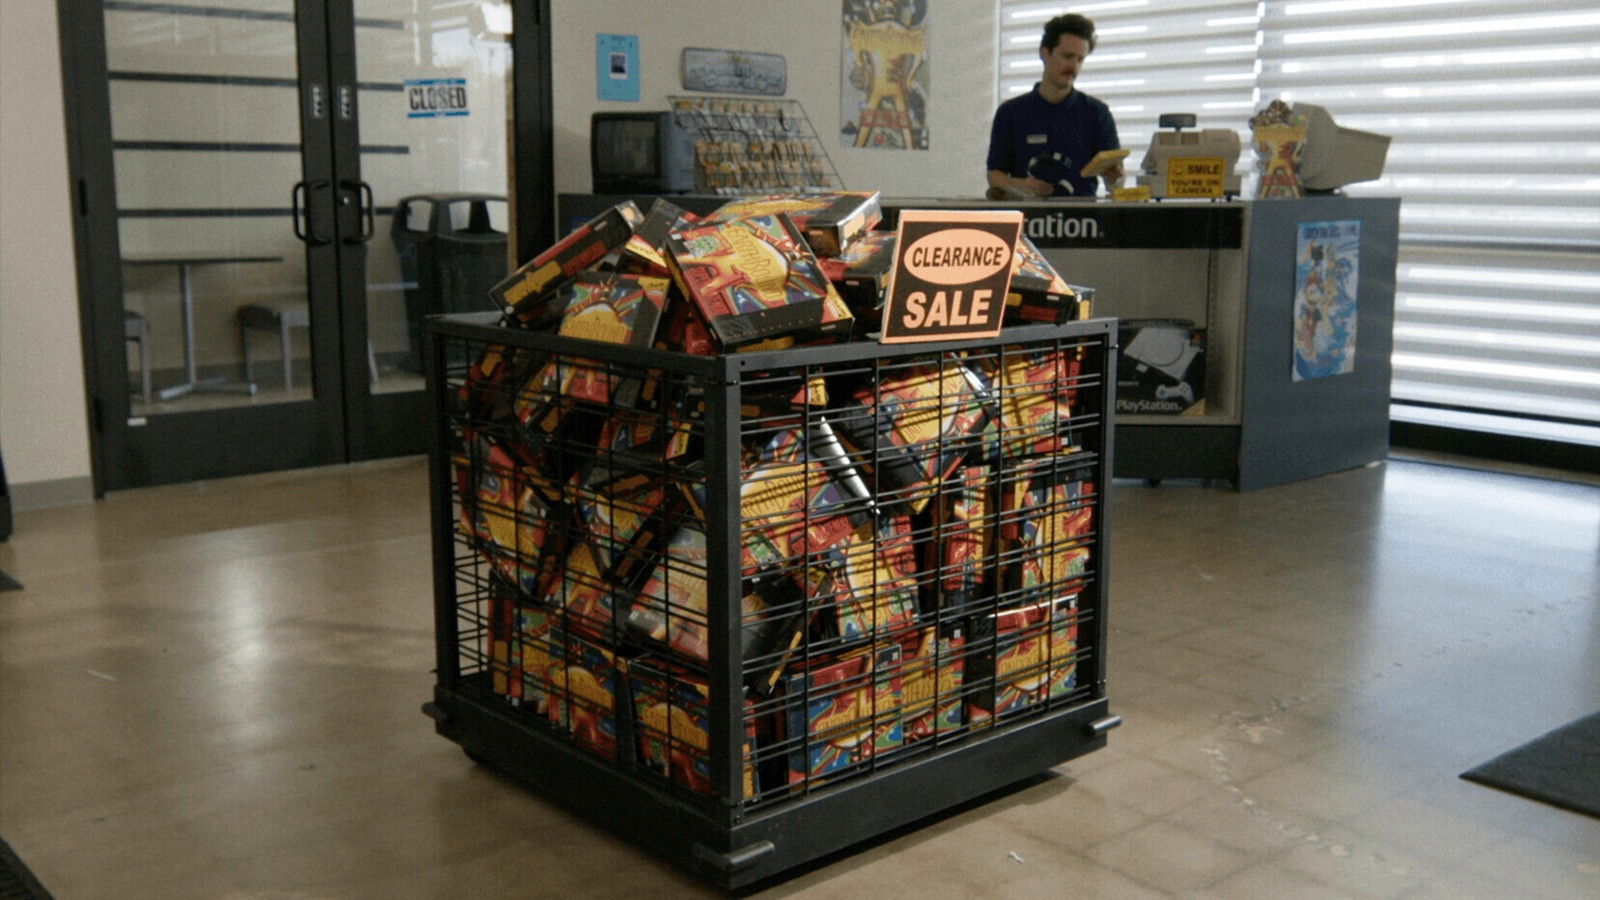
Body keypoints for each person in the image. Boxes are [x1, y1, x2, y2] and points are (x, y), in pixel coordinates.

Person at [986, 13, 1122, 199]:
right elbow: (994, 175)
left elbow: (1115, 181)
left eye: (1080, 59)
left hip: (1083, 216)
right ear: (1045, 53)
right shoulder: (1011, 112)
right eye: (1067, 56)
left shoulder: (1097, 113)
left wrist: (1115, 177)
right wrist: (1021, 185)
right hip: (1029, 214)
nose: (1073, 66)